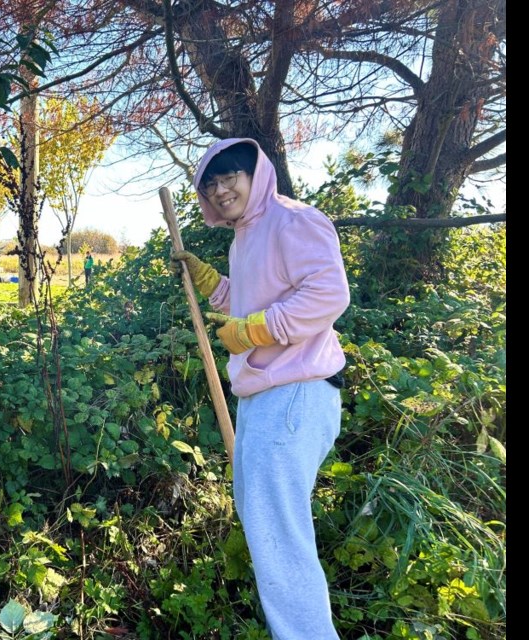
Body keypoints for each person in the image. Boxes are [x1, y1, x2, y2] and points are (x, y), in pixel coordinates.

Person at [171, 138, 350, 639]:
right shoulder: (246, 235)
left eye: (231, 177)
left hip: (294, 392)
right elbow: (255, 297)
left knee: (280, 540)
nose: (222, 189)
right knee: (268, 528)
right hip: (267, 395)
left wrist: (254, 331)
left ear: (256, 174)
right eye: (211, 183)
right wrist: (211, 283)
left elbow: (329, 293)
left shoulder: (292, 220)